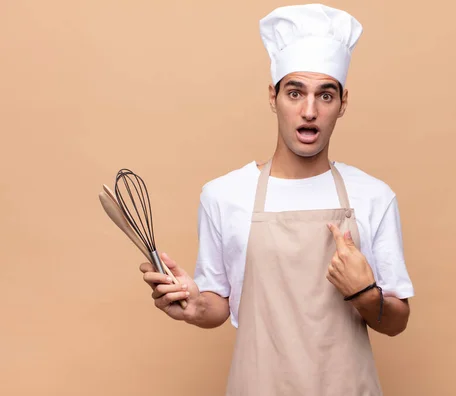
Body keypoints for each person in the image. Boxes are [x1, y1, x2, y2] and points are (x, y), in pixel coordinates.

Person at [140, 3, 414, 395]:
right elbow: (217, 304)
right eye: (295, 92)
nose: (309, 111)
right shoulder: (223, 195)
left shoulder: (373, 196)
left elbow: (397, 321)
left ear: (343, 103)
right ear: (273, 96)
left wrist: (362, 293)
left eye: (325, 95)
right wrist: (192, 304)